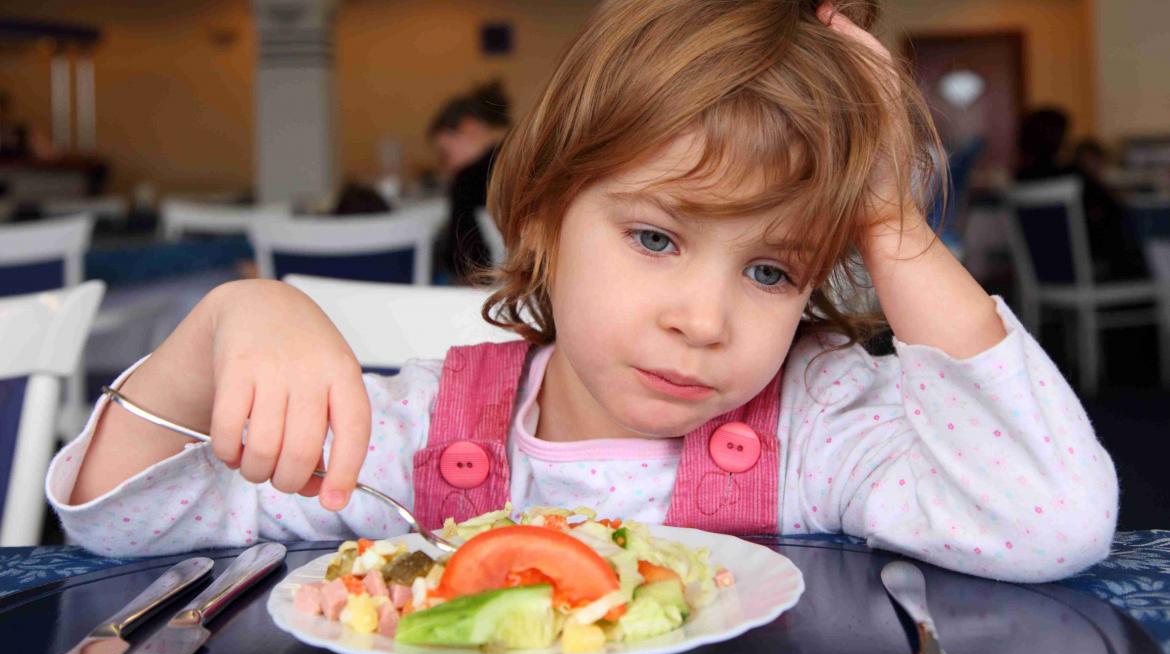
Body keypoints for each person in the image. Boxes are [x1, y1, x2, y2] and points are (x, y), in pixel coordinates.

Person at [48, 0, 1116, 584]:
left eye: (770, 269)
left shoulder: (818, 429)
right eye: (656, 236)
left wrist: (893, 227)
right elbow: (130, 526)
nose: (703, 319)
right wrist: (228, 321)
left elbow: (1048, 520)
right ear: (544, 218)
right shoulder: (414, 435)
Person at [1016, 107, 1147, 280]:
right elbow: (1113, 208)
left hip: (1043, 270)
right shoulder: (1072, 176)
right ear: (1061, 139)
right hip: (1091, 265)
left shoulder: (1020, 179)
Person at [429, 80, 510, 283]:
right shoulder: (520, 157)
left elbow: (461, 258)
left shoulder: (468, 179)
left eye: (445, 154)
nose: (447, 168)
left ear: (469, 127)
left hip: (484, 289)